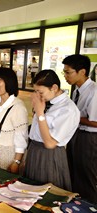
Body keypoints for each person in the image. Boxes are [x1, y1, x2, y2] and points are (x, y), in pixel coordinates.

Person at [25, 69, 80, 191]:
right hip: (34, 149)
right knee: (30, 191)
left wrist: (39, 112)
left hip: (49, 155)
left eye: (40, 92)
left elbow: (50, 143)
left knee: (47, 194)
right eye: (35, 91)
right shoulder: (48, 102)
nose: (38, 96)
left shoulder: (68, 109)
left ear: (54, 88)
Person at [62, 54, 97, 203]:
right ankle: (76, 203)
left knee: (86, 173)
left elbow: (95, 122)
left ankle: (90, 205)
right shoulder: (77, 90)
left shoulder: (94, 91)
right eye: (64, 72)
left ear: (82, 72)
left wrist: (73, 117)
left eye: (68, 72)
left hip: (88, 138)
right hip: (76, 133)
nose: (65, 76)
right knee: (74, 169)